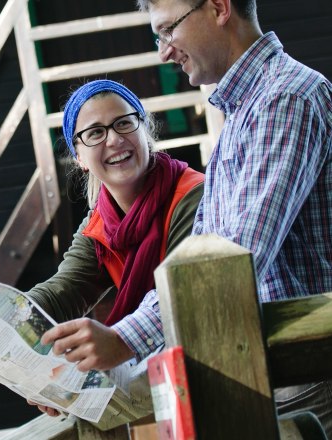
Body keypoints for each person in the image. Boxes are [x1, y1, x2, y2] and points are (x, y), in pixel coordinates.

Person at [137, 0, 332, 433]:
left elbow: (227, 264)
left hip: (312, 382)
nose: (164, 51)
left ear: (221, 8)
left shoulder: (284, 98)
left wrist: (123, 342)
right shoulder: (245, 110)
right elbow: (200, 255)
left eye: (169, 30)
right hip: (283, 376)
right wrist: (122, 348)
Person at [24, 79, 204, 416]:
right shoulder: (100, 223)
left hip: (211, 368)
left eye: (124, 122)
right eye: (95, 133)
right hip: (168, 379)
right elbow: (65, 290)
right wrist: (10, 317)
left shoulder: (193, 196)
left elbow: (183, 296)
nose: (115, 139)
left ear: (144, 129)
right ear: (78, 156)